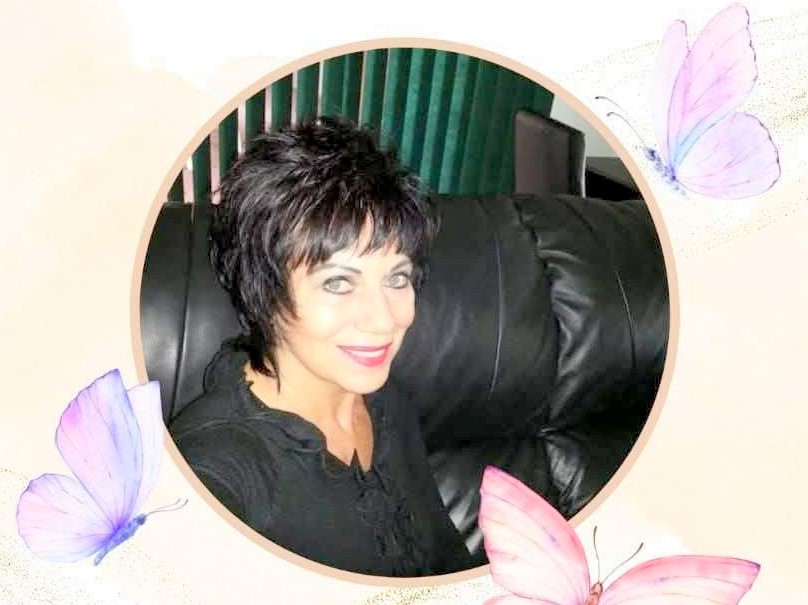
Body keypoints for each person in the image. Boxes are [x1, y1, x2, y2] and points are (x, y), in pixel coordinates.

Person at [169, 116, 474, 577]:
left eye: (397, 278)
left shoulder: (386, 403)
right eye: (337, 283)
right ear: (264, 293)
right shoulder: (213, 471)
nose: (384, 320)